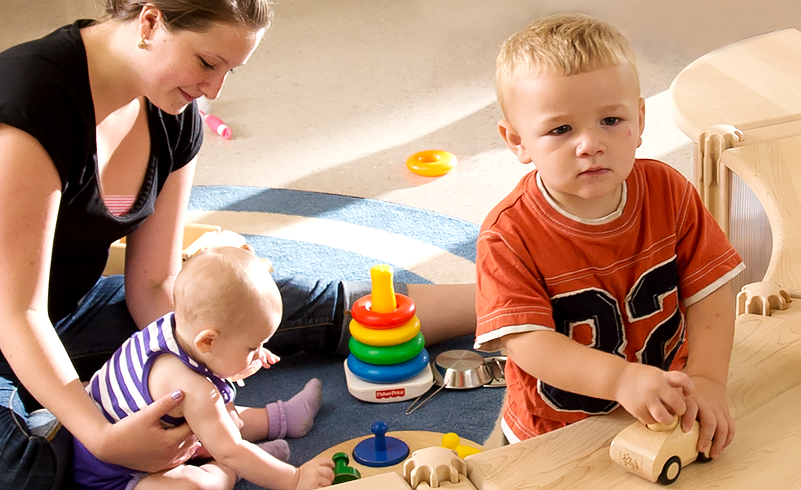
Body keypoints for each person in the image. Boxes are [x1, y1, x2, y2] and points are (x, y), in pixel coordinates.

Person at [0, 1, 475, 488]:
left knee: (240, 300)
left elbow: (155, 283)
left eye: (229, 70)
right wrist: (102, 437)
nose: (213, 89)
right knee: (25, 470)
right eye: (208, 62)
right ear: (149, 21)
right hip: (14, 321)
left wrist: (202, 366)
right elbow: (17, 315)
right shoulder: (33, 103)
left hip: (65, 313)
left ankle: (509, 298)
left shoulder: (173, 110)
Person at [474, 14, 745, 459]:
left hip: (666, 411)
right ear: (517, 141)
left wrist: (709, 380)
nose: (590, 144)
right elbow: (528, 342)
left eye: (611, 120)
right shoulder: (508, 235)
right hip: (555, 433)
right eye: (561, 129)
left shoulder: (669, 192)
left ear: (639, 119)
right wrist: (619, 379)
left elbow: (711, 291)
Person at [75, 246, 335, 490]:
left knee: (222, 416)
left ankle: (285, 417)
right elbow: (230, 449)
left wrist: (244, 354)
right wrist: (295, 479)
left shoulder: (174, 326)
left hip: (100, 425)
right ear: (208, 341)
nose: (259, 353)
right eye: (252, 347)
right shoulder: (192, 389)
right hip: (113, 474)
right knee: (199, 483)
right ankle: (230, 471)